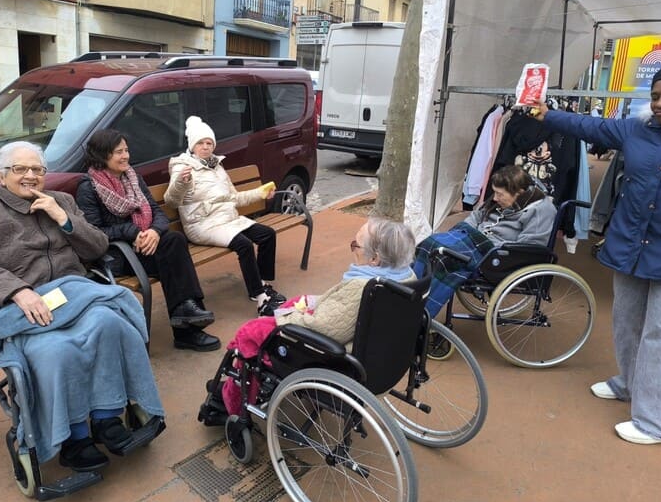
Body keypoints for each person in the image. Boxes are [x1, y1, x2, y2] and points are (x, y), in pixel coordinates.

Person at [0, 141, 165, 472]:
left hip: (72, 292)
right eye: (20, 169)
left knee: (111, 326)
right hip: (21, 304)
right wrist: (17, 291)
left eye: (37, 169)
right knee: (57, 350)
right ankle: (74, 435)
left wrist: (63, 218)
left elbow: (96, 247)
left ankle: (107, 417)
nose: (30, 176)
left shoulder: (62, 201)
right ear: (1, 174)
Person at [531, 63, 661, 445]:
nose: (659, 103)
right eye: (655, 96)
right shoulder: (636, 129)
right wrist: (549, 113)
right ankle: (630, 383)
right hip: (631, 241)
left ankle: (660, 423)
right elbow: (588, 127)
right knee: (627, 320)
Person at [201, 217, 416, 421]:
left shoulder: (363, 288)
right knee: (293, 301)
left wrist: (289, 317)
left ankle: (234, 396)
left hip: (331, 354)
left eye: (356, 245)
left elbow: (325, 327)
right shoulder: (406, 278)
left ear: (375, 258)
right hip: (378, 354)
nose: (353, 250)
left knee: (251, 332)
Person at [76, 129, 220, 352]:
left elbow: (156, 211)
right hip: (118, 256)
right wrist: (132, 232)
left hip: (146, 248)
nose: (125, 156)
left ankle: (187, 313)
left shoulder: (132, 177)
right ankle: (187, 330)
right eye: (118, 152)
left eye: (126, 150)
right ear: (102, 155)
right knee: (173, 257)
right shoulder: (89, 188)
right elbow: (93, 231)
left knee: (173, 241)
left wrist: (153, 231)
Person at [165, 115, 286, 316]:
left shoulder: (217, 166)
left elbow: (234, 198)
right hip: (202, 225)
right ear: (192, 146)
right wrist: (180, 183)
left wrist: (260, 193)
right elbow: (171, 201)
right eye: (201, 143)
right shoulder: (182, 167)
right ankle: (260, 298)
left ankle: (261, 283)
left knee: (267, 234)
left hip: (227, 220)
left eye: (209, 143)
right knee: (244, 245)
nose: (205, 147)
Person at [414, 165, 556, 318]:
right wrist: (466, 231)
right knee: (428, 244)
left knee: (445, 259)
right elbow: (476, 216)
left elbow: (528, 248)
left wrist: (493, 246)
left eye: (500, 194)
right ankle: (412, 298)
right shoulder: (504, 198)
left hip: (493, 253)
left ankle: (421, 315)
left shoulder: (541, 210)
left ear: (519, 193)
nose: (495, 198)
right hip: (473, 239)